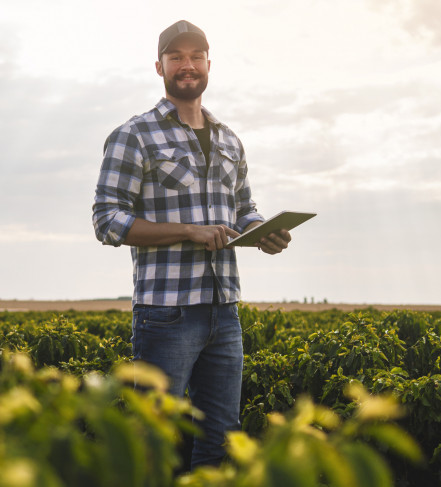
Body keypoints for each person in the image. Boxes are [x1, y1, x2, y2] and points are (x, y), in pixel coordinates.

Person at [91, 20, 292, 468]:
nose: (187, 65)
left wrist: (263, 231)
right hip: (166, 314)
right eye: (176, 57)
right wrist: (188, 230)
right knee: (155, 442)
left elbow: (243, 207)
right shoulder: (134, 135)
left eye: (196, 56)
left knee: (220, 441)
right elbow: (107, 221)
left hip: (225, 310)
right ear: (159, 66)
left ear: (208, 65)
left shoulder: (228, 139)